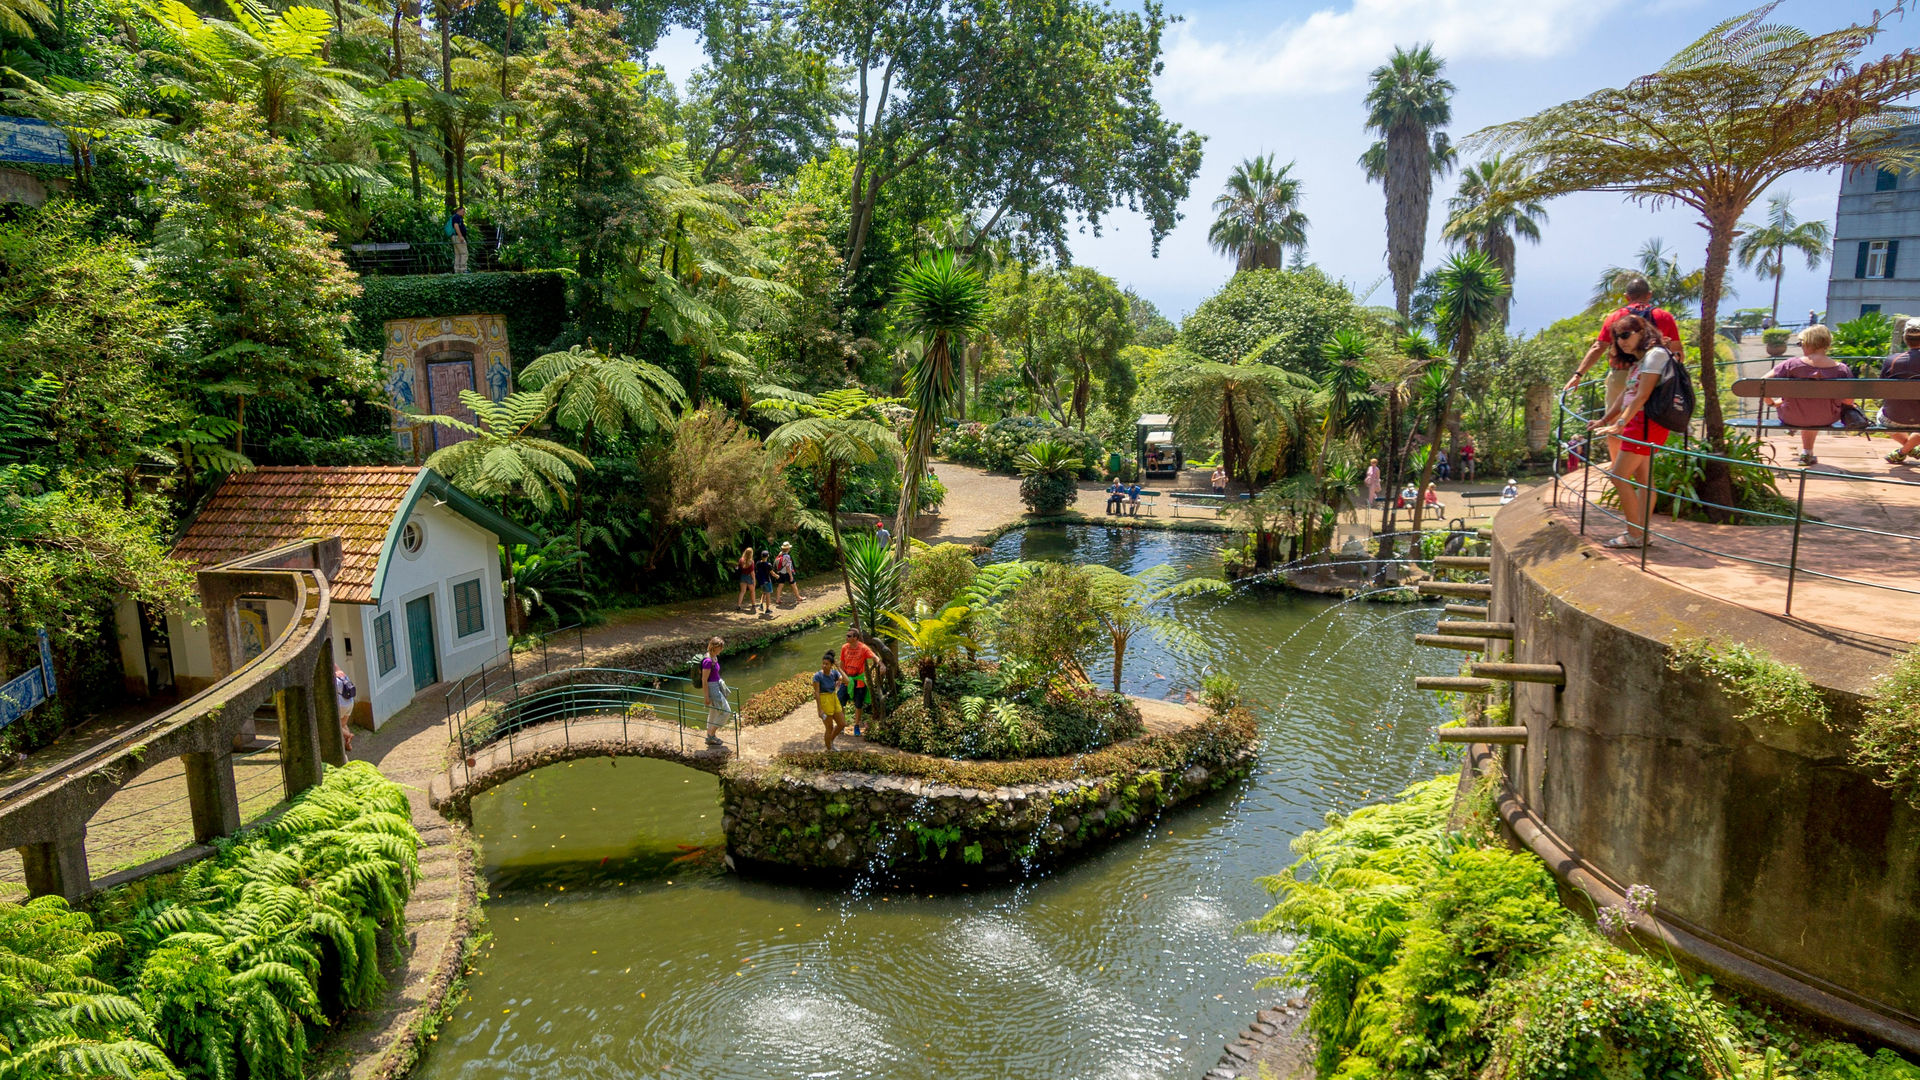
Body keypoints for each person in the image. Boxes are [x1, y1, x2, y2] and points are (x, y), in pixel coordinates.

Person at [1590, 313, 1675, 549]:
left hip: (1644, 424)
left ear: (1642, 333)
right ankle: (1640, 532)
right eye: (1617, 337)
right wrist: (1605, 419)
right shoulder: (1641, 361)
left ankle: (1635, 533)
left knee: (1618, 477)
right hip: (1639, 423)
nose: (1622, 341)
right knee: (1644, 480)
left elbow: (1642, 395)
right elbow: (1625, 394)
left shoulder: (1655, 356)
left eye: (1626, 335)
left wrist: (1620, 423)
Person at [1563, 275, 1687, 413]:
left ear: (1627, 297)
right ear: (1649, 295)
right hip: (1654, 377)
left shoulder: (1616, 317)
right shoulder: (1664, 316)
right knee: (1650, 422)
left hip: (1621, 375)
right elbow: (1678, 354)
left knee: (1615, 422)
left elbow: (1598, 347)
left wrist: (1578, 375)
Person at [1764, 324, 1854, 466]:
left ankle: (1803, 446)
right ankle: (1807, 453)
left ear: (1807, 343)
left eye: (1801, 343)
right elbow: (1849, 401)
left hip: (1791, 415)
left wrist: (1771, 403)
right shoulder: (1842, 369)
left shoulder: (1791, 364)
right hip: (1826, 417)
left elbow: (1762, 383)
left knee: (1804, 407)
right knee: (1815, 408)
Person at [1880, 320, 1920, 464]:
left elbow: (1881, 389)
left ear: (1905, 338)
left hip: (1893, 418)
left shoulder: (1891, 360)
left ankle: (1904, 451)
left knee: (1881, 418)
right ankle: (1909, 449)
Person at [838, 627, 883, 737]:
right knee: (840, 702)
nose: (846, 637)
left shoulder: (863, 648)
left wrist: (881, 664)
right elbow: (842, 663)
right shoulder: (844, 647)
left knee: (858, 704)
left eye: (849, 636)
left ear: (855, 638)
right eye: (847, 635)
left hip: (858, 680)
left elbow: (874, 657)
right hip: (847, 679)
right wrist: (840, 676)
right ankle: (842, 725)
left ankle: (856, 725)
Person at [696, 637, 730, 749]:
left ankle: (710, 735)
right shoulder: (708, 661)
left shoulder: (714, 657)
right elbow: (704, 681)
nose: (722, 649)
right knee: (726, 712)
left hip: (717, 685)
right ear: (715, 647)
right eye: (720, 647)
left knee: (714, 712)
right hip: (712, 688)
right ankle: (711, 735)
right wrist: (706, 697)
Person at [812, 651, 846, 750]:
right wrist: (820, 709)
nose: (824, 666)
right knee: (829, 727)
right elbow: (817, 692)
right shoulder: (817, 676)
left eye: (827, 664)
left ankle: (830, 741)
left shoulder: (834, 673)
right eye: (823, 663)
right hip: (824, 701)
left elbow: (846, 680)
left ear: (831, 665)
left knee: (842, 724)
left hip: (833, 698)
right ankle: (829, 749)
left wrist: (839, 667)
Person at [333, 665, 356, 755]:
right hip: (350, 702)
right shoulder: (342, 674)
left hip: (341, 704)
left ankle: (348, 735)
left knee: (337, 725)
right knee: (344, 724)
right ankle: (348, 744)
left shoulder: (333, 679)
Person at [448, 204, 469, 274]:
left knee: (458, 254)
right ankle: (463, 270)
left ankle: (457, 270)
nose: (464, 213)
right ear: (458, 211)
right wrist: (460, 236)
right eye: (463, 211)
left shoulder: (455, 217)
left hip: (455, 237)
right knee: (464, 253)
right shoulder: (457, 217)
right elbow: (456, 225)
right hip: (458, 237)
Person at [753, 547, 775, 615]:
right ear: (767, 556)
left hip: (761, 581)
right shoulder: (768, 565)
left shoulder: (758, 563)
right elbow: (772, 573)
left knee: (764, 593)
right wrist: (777, 576)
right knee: (768, 595)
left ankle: (761, 604)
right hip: (767, 581)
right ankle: (767, 609)